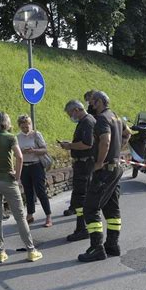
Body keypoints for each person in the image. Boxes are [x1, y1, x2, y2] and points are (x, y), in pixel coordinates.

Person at [0, 112, 43, 263]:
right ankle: (31, 251)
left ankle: (0, 253)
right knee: (20, 217)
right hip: (8, 180)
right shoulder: (10, 137)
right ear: (7, 123)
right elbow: (19, 157)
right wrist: (17, 176)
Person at [78, 91, 131, 262]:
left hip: (105, 170)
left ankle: (96, 248)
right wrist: (119, 150)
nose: (90, 105)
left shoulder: (102, 119)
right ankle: (112, 245)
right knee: (111, 207)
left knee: (90, 208)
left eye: (92, 102)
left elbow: (105, 140)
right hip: (116, 169)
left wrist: (100, 162)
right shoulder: (115, 116)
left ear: (99, 102)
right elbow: (127, 133)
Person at [59, 100, 96, 242]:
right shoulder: (86, 121)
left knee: (81, 198)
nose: (70, 116)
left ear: (76, 110)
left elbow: (87, 144)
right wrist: (70, 144)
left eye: (70, 113)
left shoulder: (87, 122)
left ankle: (82, 229)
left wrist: (69, 146)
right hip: (84, 165)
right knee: (80, 198)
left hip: (85, 166)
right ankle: (82, 228)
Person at [16, 115, 53, 227]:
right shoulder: (17, 137)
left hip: (36, 166)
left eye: (27, 127)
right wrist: (21, 152)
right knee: (28, 192)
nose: (26, 129)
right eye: (23, 127)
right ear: (19, 127)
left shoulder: (36, 134)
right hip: (25, 166)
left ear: (31, 124)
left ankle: (48, 216)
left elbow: (45, 150)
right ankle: (30, 215)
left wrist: (34, 150)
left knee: (41, 191)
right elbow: (15, 153)